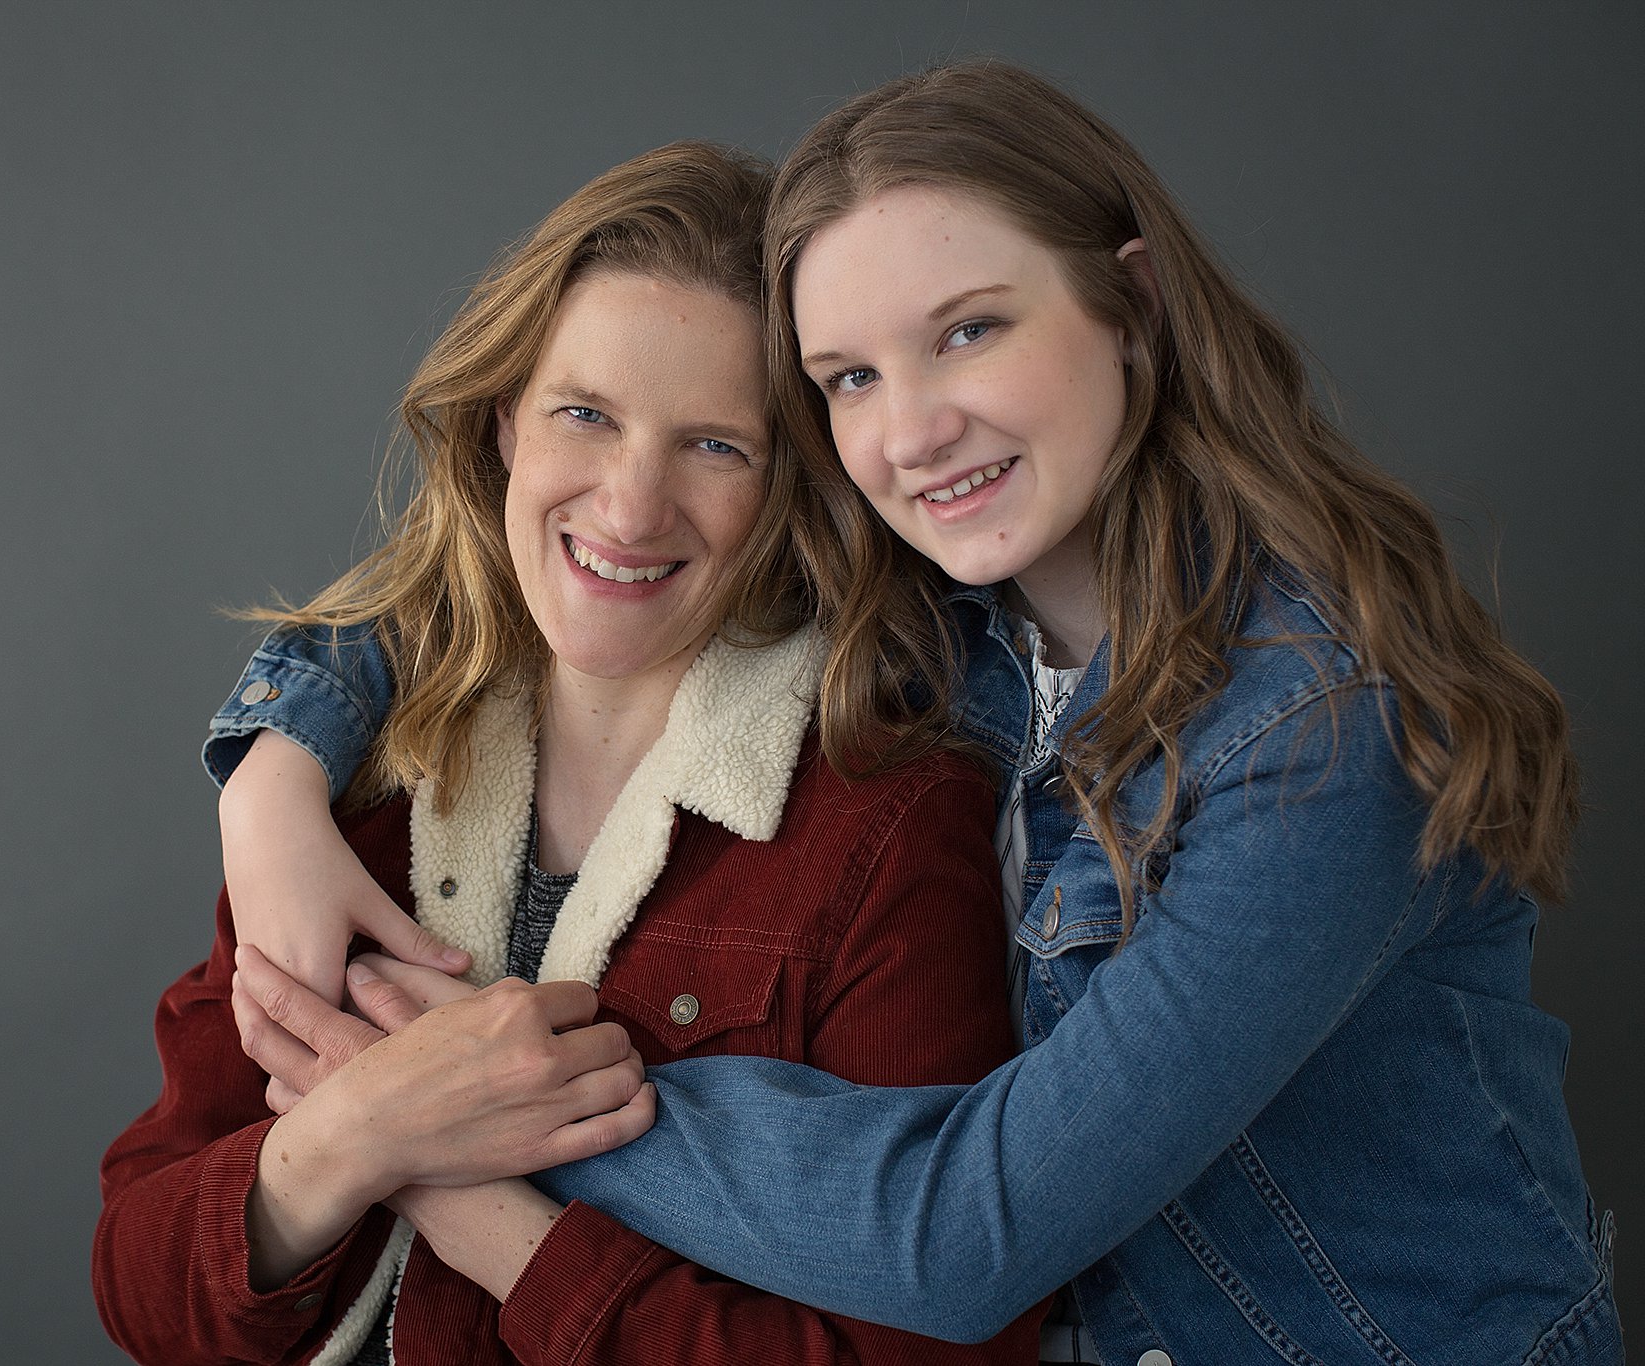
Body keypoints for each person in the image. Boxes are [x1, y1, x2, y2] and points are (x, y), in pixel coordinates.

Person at [203, 62, 1622, 1365]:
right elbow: (499, 573)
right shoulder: (942, 612)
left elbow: (970, 1235)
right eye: (851, 380)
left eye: (970, 332)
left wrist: (459, 1090)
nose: (911, 427)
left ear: (1130, 306)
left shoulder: (1315, 733)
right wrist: (268, 776)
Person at [93, 141, 1044, 1366]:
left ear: (791, 490)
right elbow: (140, 1280)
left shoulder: (885, 821)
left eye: (716, 446)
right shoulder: (352, 779)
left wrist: (457, 1196)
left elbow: (930, 1353)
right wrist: (349, 1142)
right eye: (584, 414)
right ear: (503, 425)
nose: (629, 506)